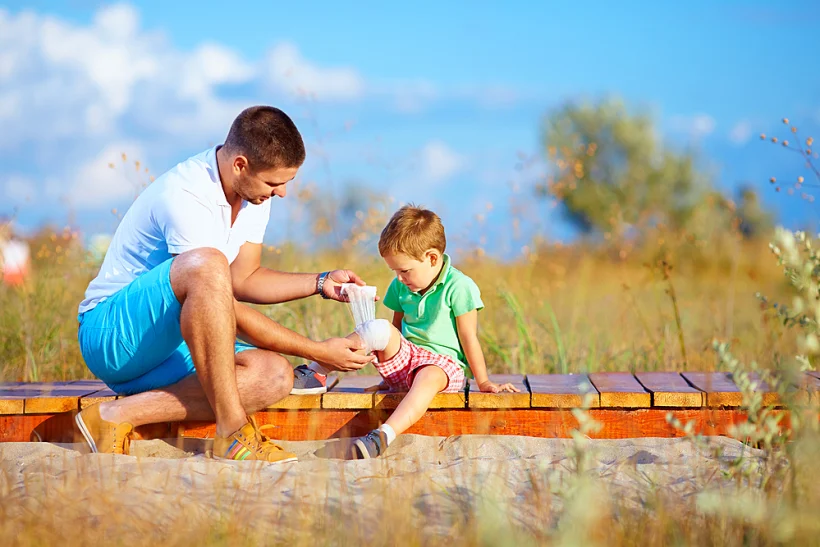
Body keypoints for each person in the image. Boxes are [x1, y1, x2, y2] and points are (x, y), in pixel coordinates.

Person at [74, 106, 375, 462]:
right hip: (113, 338)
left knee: (275, 375)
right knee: (208, 264)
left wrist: (321, 282)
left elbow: (244, 279)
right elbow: (218, 301)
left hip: (171, 347)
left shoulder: (253, 194)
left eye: (286, 182)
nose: (281, 193)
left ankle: (113, 416)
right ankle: (233, 432)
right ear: (240, 165)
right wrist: (316, 351)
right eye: (274, 183)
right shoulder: (186, 194)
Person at [298, 205, 519, 459]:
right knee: (378, 327)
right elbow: (394, 332)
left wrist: (484, 382)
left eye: (404, 270)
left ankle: (383, 435)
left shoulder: (460, 286)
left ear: (432, 258)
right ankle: (316, 371)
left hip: (443, 368)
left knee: (429, 375)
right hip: (407, 360)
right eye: (394, 271)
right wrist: (388, 376)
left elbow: (469, 338)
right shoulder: (400, 286)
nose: (399, 278)